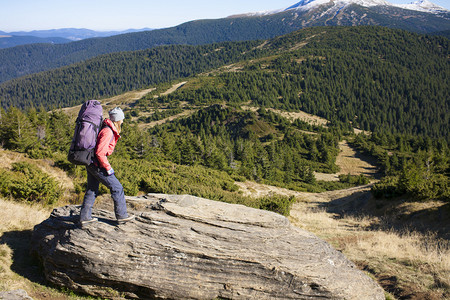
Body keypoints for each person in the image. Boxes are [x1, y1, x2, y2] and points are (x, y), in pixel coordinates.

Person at [79, 107, 134, 225]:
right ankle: (122, 216)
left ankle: (84, 217)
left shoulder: (106, 127)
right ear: (117, 120)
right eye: (122, 119)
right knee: (117, 188)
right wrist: (107, 167)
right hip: (98, 165)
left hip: (91, 163)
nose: (123, 121)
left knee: (92, 189)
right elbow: (100, 152)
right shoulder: (108, 131)